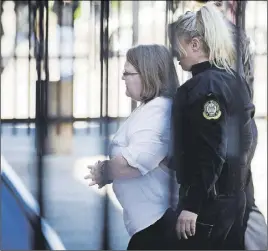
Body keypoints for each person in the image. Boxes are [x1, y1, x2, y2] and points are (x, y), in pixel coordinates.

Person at [167, 2, 259, 249]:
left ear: (195, 44)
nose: (177, 57)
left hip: (210, 205)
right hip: (233, 200)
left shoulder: (201, 88)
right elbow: (248, 138)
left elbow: (211, 150)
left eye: (179, 49)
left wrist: (191, 206)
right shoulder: (233, 80)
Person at [84, 44, 180, 249]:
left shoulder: (159, 110)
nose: (122, 78)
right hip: (148, 225)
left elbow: (135, 164)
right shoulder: (150, 107)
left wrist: (105, 170)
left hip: (157, 226)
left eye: (127, 73)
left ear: (148, 75)